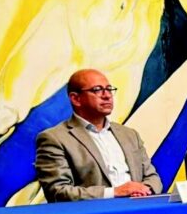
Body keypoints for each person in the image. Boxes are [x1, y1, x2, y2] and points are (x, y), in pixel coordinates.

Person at [35, 69, 162, 202]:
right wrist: (115, 192)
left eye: (109, 89)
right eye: (97, 90)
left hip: (139, 208)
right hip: (95, 213)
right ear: (76, 99)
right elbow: (58, 191)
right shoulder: (55, 138)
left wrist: (143, 191)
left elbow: (152, 178)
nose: (107, 95)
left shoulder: (129, 135)